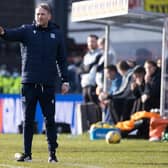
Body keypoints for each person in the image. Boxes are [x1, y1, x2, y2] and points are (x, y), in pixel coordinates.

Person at [0, 3, 69, 163]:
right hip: (29, 84)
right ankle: (27, 153)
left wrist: (65, 80)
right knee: (28, 120)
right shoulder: (26, 31)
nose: (39, 17)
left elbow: (62, 60)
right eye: (38, 14)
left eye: (43, 14)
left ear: (49, 16)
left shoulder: (56, 34)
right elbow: (9, 34)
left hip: (48, 85)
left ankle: (52, 154)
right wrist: (2, 31)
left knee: (49, 120)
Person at [80, 34, 102, 104]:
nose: (90, 43)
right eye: (89, 41)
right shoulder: (86, 55)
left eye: (93, 41)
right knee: (86, 107)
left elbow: (89, 68)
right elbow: (83, 69)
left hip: (94, 84)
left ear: (97, 43)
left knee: (95, 106)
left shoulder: (100, 54)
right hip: (85, 84)